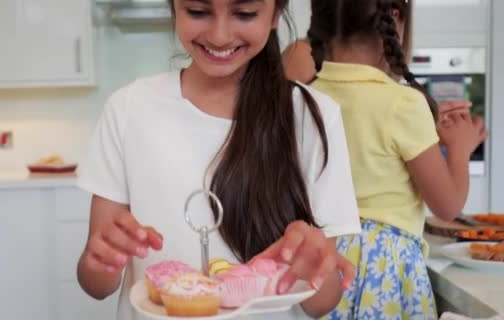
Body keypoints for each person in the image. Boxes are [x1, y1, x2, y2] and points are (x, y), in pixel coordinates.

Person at [75, 0, 363, 318]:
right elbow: (96, 285)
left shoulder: (313, 117)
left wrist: (312, 268)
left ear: (275, 15)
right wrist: (99, 260)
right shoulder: (129, 109)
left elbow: (321, 304)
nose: (220, 36)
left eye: (245, 14)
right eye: (198, 12)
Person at [296, 0, 488, 318]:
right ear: (394, 17)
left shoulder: (303, 96)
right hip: (382, 267)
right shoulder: (403, 103)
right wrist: (459, 149)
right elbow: (448, 205)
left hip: (322, 267)